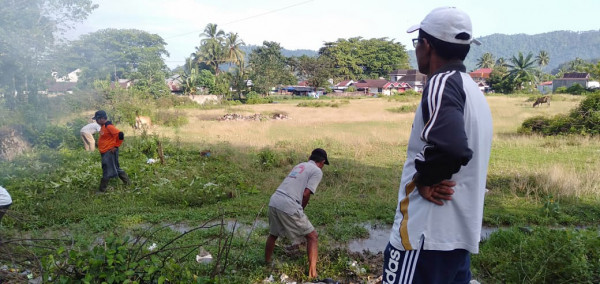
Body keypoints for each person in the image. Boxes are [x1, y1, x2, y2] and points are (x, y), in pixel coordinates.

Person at [383, 7, 493, 284]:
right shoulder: (471, 88)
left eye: (416, 43)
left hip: (423, 236)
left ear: (427, 45)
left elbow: (452, 148)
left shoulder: (441, 83)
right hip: (455, 236)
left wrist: (424, 179)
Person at [265, 148, 329, 279]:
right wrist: (300, 208)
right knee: (313, 236)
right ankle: (313, 274)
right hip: (288, 204)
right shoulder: (317, 171)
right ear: (322, 162)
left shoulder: (300, 165)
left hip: (275, 200)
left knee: (273, 234)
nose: (323, 167)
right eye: (323, 164)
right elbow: (306, 194)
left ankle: (266, 262)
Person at [94, 110, 131, 192]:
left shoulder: (108, 126)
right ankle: (128, 183)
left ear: (102, 118)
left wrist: (116, 146)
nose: (96, 121)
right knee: (116, 168)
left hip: (109, 151)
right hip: (106, 151)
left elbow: (120, 134)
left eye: (97, 119)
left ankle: (102, 190)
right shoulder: (103, 126)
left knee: (107, 169)